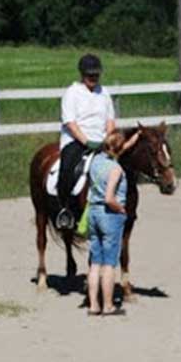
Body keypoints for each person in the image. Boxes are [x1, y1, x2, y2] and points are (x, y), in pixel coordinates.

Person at [57, 54, 116, 230]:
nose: (93, 78)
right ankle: (65, 209)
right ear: (82, 75)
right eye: (90, 75)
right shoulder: (72, 93)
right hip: (76, 141)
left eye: (96, 75)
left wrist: (109, 139)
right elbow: (70, 122)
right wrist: (86, 141)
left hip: (102, 141)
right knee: (68, 167)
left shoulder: (104, 93)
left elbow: (110, 121)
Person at [86, 129, 140, 316]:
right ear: (118, 150)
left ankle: (93, 305)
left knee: (95, 262)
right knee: (109, 263)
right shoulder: (116, 169)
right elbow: (110, 198)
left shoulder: (95, 162)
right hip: (109, 215)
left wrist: (133, 139)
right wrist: (121, 209)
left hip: (92, 212)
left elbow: (118, 148)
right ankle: (108, 305)